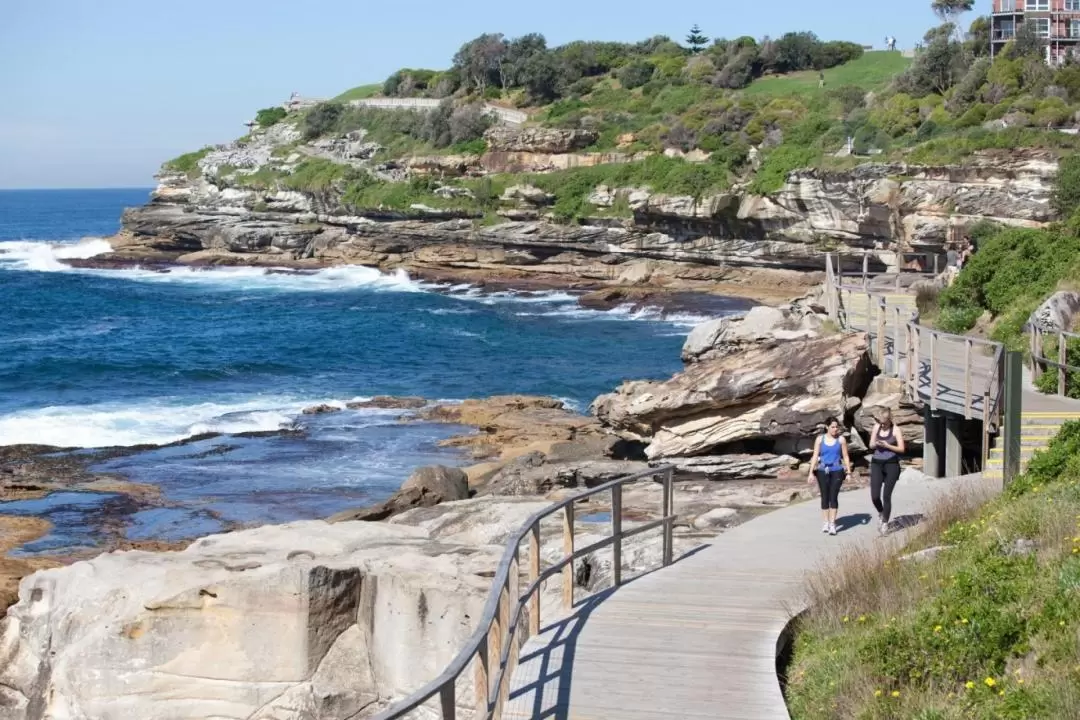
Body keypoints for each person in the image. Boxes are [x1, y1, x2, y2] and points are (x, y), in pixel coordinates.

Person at [807, 417, 852, 536]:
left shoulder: (841, 440)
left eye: (837, 427)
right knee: (824, 497)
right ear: (827, 427)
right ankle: (825, 522)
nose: (835, 429)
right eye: (832, 427)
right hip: (822, 470)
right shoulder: (820, 439)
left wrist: (848, 472)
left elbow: (846, 456)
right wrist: (811, 472)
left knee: (833, 496)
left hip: (837, 469)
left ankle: (832, 524)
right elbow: (815, 456)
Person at [869, 408, 906, 535]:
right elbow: (871, 445)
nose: (882, 425)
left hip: (891, 464)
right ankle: (881, 512)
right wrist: (877, 444)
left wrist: (888, 445)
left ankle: (885, 522)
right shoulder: (876, 427)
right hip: (876, 462)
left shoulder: (895, 430)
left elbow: (901, 449)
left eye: (884, 423)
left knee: (886, 496)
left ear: (890, 420)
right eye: (880, 422)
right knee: (874, 496)